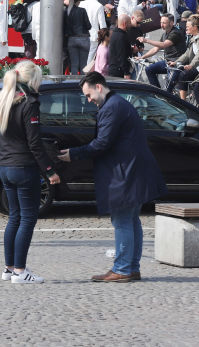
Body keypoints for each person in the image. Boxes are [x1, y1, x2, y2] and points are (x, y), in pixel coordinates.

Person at [59, 72, 166, 282]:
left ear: (99, 87)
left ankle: (123, 268)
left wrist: (74, 154)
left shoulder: (112, 107)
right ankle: (131, 267)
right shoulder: (117, 104)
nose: (88, 100)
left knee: (123, 220)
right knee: (131, 220)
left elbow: (102, 143)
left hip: (125, 173)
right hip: (131, 170)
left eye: (89, 95)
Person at [0, 60, 60, 282]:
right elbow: (35, 143)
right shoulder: (29, 103)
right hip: (23, 167)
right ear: (32, 80)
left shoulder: (4, 100)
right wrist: (49, 170)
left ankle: (9, 268)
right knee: (28, 218)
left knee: (14, 217)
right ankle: (20, 271)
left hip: (5, 166)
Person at [139, 14, 186, 89]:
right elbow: (156, 49)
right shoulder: (165, 34)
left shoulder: (175, 33)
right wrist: (142, 57)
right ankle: (157, 92)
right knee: (149, 69)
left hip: (176, 64)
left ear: (171, 23)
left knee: (168, 89)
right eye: (161, 22)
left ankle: (165, 94)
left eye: (164, 23)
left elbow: (164, 44)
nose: (161, 25)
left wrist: (146, 40)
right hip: (167, 62)